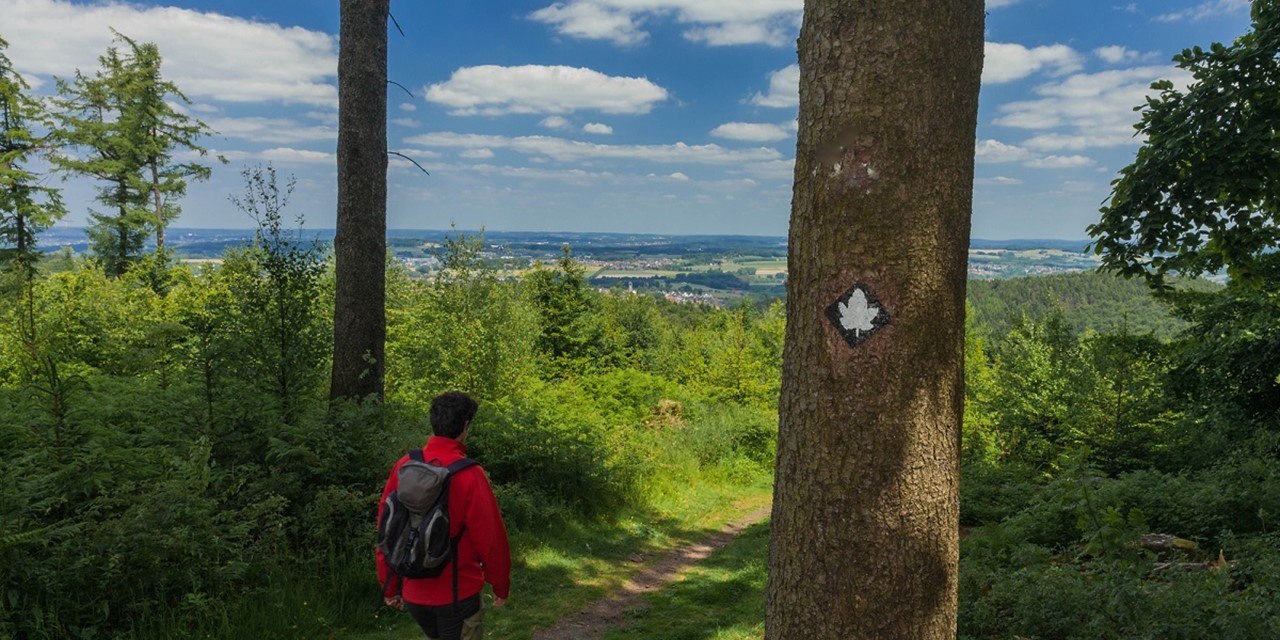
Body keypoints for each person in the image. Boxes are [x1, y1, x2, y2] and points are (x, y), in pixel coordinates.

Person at [376, 391, 511, 640]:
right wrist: (500, 584)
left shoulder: (404, 465)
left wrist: (390, 585)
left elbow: (387, 530)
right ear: (465, 426)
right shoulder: (470, 474)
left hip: (414, 592)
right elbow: (490, 538)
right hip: (457, 596)